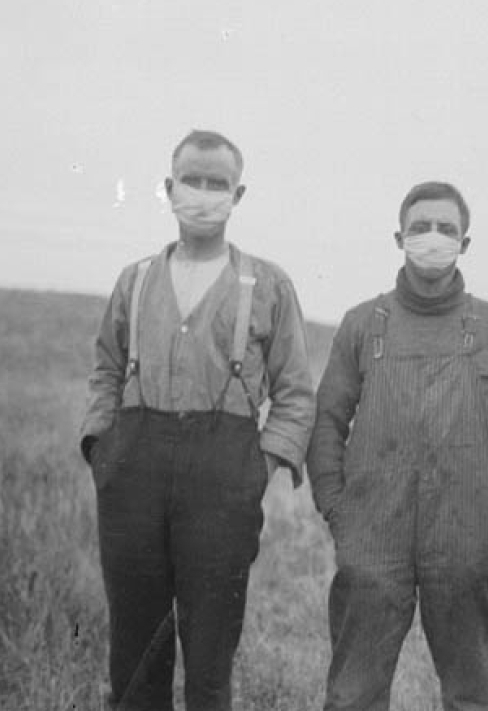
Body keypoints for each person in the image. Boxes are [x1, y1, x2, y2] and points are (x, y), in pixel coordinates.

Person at [79, 129, 316, 711]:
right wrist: (100, 449)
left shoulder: (268, 284)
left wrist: (258, 467)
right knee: (134, 650)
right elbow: (106, 367)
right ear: (168, 188)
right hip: (134, 466)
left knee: (210, 651)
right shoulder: (135, 279)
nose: (204, 193)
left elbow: (294, 392)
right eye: (193, 180)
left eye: (218, 184)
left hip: (224, 473)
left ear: (238, 195)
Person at [306, 181, 488, 711]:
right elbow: (327, 423)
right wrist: (338, 511)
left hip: (463, 537)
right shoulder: (363, 324)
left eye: (446, 229)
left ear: (465, 241)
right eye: (420, 227)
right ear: (399, 236)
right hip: (372, 538)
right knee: (353, 696)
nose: (432, 238)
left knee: (473, 694)